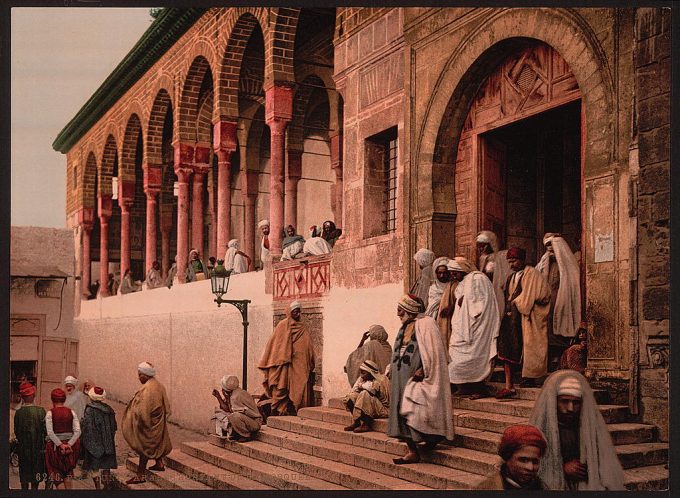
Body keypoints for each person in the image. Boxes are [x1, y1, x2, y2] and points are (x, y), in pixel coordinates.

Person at [528, 370, 625, 490]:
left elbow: (602, 463)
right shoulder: (541, 428)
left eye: (576, 403)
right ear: (554, 401)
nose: (570, 408)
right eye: (564, 401)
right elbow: (532, 464)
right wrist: (562, 468)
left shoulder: (588, 428)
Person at [387, 294, 454, 464]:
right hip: (400, 376)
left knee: (416, 409)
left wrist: (423, 369)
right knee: (401, 410)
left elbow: (434, 353)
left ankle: (429, 440)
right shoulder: (404, 327)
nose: (397, 313)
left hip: (417, 377)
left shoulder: (426, 324)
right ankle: (412, 450)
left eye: (400, 309)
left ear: (409, 308)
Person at [496, 247, 551, 399]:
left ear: (522, 260)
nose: (512, 264)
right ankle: (509, 385)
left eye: (514, 261)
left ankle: (529, 377)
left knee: (528, 345)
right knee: (506, 347)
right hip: (512, 318)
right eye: (510, 262)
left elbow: (536, 296)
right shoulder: (511, 277)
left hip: (527, 317)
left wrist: (517, 301)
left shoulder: (532, 273)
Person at [447, 256, 499, 399]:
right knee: (456, 356)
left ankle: (479, 389)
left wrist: (467, 303)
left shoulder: (477, 278)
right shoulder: (464, 282)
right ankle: (463, 387)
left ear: (463, 270)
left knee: (476, 358)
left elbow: (480, 304)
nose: (453, 275)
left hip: (477, 327)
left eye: (455, 272)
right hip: (461, 327)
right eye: (451, 272)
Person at [258, 301, 316, 416]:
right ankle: (277, 410)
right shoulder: (282, 326)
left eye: (299, 312)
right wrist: (282, 357)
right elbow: (275, 346)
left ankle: (295, 409)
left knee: (299, 385)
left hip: (298, 364)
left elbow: (307, 346)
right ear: (289, 312)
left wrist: (309, 359)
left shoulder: (302, 327)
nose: (298, 314)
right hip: (283, 364)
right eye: (295, 312)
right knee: (281, 387)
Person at [536, 233, 582, 371]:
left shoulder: (566, 259)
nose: (549, 248)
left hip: (562, 297)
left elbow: (571, 278)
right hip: (548, 300)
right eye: (547, 245)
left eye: (551, 245)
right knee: (548, 327)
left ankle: (561, 358)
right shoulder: (545, 260)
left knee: (561, 325)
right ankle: (551, 358)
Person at [121, 362, 172, 485]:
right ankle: (159, 463)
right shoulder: (159, 385)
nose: (138, 377)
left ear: (145, 375)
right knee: (157, 442)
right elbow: (168, 408)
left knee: (145, 447)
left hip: (148, 424)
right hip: (158, 423)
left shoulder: (147, 389)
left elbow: (143, 412)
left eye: (139, 375)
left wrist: (138, 422)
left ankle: (140, 475)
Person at [476, 424, 548, 490]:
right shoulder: (488, 488)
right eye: (523, 460)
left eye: (535, 461)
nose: (530, 467)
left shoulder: (542, 488)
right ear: (507, 458)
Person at [80, 386, 117, 490]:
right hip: (108, 444)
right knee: (106, 467)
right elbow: (114, 427)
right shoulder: (110, 410)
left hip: (94, 443)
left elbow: (87, 428)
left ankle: (98, 489)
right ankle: (107, 487)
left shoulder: (90, 410)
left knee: (95, 468)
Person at [45, 388, 81, 489]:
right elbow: (78, 431)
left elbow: (50, 432)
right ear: (64, 400)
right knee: (68, 473)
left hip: (55, 448)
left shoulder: (50, 413)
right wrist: (69, 444)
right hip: (69, 450)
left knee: (57, 476)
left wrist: (60, 445)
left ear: (52, 400)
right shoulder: (72, 412)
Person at [13, 382, 46, 490]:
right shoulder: (41, 411)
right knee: (35, 478)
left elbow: (17, 431)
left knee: (24, 478)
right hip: (37, 449)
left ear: (22, 397)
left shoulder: (18, 413)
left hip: (23, 450)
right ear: (33, 395)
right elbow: (45, 432)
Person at [342, 360, 390, 433]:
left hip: (384, 409)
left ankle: (366, 424)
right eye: (360, 372)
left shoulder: (381, 379)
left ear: (371, 373)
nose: (361, 375)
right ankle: (357, 422)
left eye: (363, 373)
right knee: (350, 397)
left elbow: (372, 389)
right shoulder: (364, 379)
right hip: (374, 406)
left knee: (365, 394)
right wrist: (360, 383)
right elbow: (354, 390)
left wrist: (362, 386)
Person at [211, 375, 262, 442]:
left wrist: (220, 397)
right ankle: (236, 433)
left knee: (233, 416)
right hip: (249, 420)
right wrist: (219, 396)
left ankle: (246, 435)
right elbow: (227, 408)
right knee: (219, 413)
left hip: (254, 423)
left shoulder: (235, 396)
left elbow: (231, 411)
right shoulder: (235, 393)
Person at [476, 230, 511, 322]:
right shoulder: (482, 259)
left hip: (494, 289)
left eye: (483, 246)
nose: (480, 249)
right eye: (479, 246)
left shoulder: (498, 258)